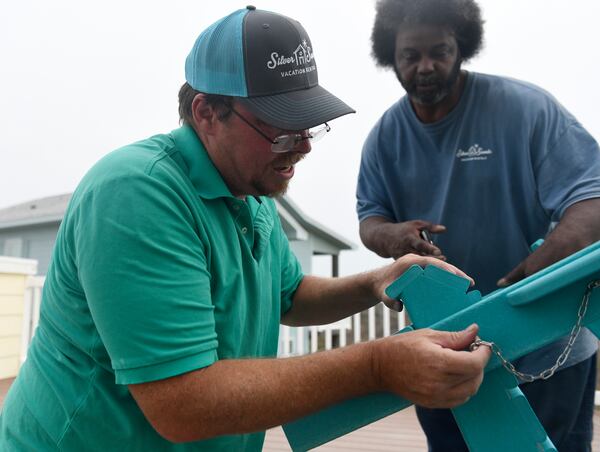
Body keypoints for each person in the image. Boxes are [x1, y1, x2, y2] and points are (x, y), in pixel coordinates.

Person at [0, 6, 491, 451]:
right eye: (282, 129)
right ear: (207, 113)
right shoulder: (136, 194)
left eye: (309, 124)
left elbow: (290, 295)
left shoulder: (252, 193)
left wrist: (374, 281)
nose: (303, 146)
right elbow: (183, 402)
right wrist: (378, 365)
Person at [356, 0, 600, 450]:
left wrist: (536, 276)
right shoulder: (385, 137)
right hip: (444, 352)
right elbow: (370, 219)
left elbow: (591, 200)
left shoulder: (526, 109)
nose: (425, 66)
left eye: (440, 51)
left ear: (463, 47)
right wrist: (394, 235)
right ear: (390, 55)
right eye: (411, 55)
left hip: (548, 349)